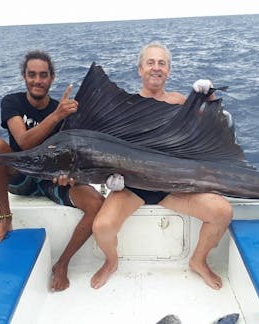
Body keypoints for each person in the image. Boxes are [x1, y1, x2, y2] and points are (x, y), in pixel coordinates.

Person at [90, 42, 233, 290]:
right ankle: (111, 262)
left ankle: (198, 261)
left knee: (222, 212)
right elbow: (106, 152)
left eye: (162, 63)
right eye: (150, 62)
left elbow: (214, 125)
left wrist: (208, 94)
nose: (156, 68)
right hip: (132, 187)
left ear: (168, 70)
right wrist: (108, 178)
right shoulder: (126, 106)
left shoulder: (179, 102)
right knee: (102, 227)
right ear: (139, 70)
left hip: (171, 185)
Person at [0, 50, 104, 292]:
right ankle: (5, 219)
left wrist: (69, 175)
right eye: (32, 75)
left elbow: (73, 154)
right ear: (24, 77)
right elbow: (24, 142)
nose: (37, 80)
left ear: (51, 78)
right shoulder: (13, 102)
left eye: (43, 75)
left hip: (51, 180)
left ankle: (62, 263)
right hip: (20, 176)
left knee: (96, 203)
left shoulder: (64, 111)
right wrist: (56, 115)